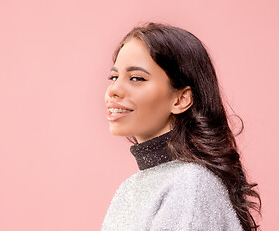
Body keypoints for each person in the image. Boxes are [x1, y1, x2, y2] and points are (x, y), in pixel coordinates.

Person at [102, 23, 261, 231]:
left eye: (136, 78)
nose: (114, 90)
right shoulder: (131, 188)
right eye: (114, 77)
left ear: (181, 99)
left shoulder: (191, 185)